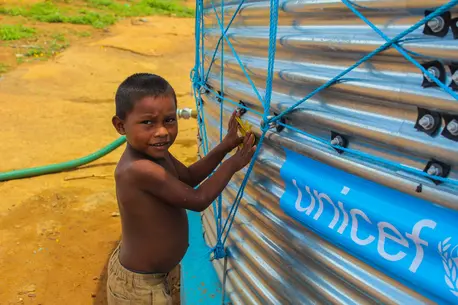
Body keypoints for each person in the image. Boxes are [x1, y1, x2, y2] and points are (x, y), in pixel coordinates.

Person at [107, 73, 256, 304]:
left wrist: (225, 146)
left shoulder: (157, 153)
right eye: (148, 122)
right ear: (120, 125)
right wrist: (234, 162)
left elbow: (189, 176)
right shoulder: (139, 169)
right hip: (139, 287)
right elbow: (198, 199)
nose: (162, 132)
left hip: (160, 276)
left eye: (169, 120)